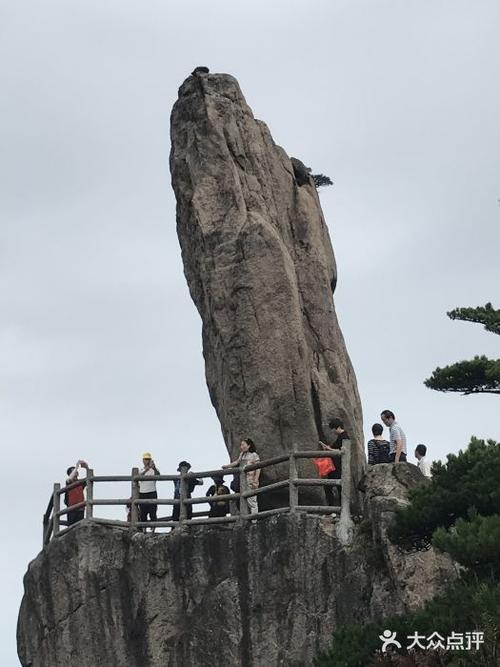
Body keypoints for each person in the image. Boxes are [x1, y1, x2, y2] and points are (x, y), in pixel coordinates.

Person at [223, 438, 260, 514]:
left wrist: (256, 479)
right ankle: (248, 520)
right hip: (243, 481)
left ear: (249, 445)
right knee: (244, 500)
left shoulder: (254, 455)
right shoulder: (242, 454)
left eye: (243, 444)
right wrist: (227, 466)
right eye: (241, 445)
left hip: (251, 480)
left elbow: (258, 467)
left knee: (252, 501)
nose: (241, 446)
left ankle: (254, 520)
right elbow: (237, 462)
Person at [319, 418, 349, 506]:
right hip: (335, 467)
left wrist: (329, 449)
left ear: (338, 427)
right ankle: (335, 508)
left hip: (339, 467)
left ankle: (335, 508)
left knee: (335, 487)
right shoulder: (341, 437)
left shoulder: (345, 437)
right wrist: (328, 448)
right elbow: (335, 448)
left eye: (333, 428)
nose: (332, 431)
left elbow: (342, 451)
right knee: (333, 487)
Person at [138, 452, 160, 531]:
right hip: (142, 493)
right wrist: (146, 470)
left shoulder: (154, 469)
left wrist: (153, 467)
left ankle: (153, 530)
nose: (147, 461)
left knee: (153, 512)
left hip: (152, 492)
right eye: (145, 459)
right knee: (143, 512)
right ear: (143, 460)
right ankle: (144, 530)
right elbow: (138, 478)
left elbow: (158, 476)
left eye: (148, 459)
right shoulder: (140, 470)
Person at [65, 460, 89, 526]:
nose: (75, 472)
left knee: (79, 526)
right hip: (72, 508)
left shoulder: (81, 482)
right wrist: (76, 467)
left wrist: (87, 468)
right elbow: (69, 479)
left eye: (76, 471)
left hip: (81, 508)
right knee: (71, 527)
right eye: (73, 471)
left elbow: (90, 478)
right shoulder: (68, 482)